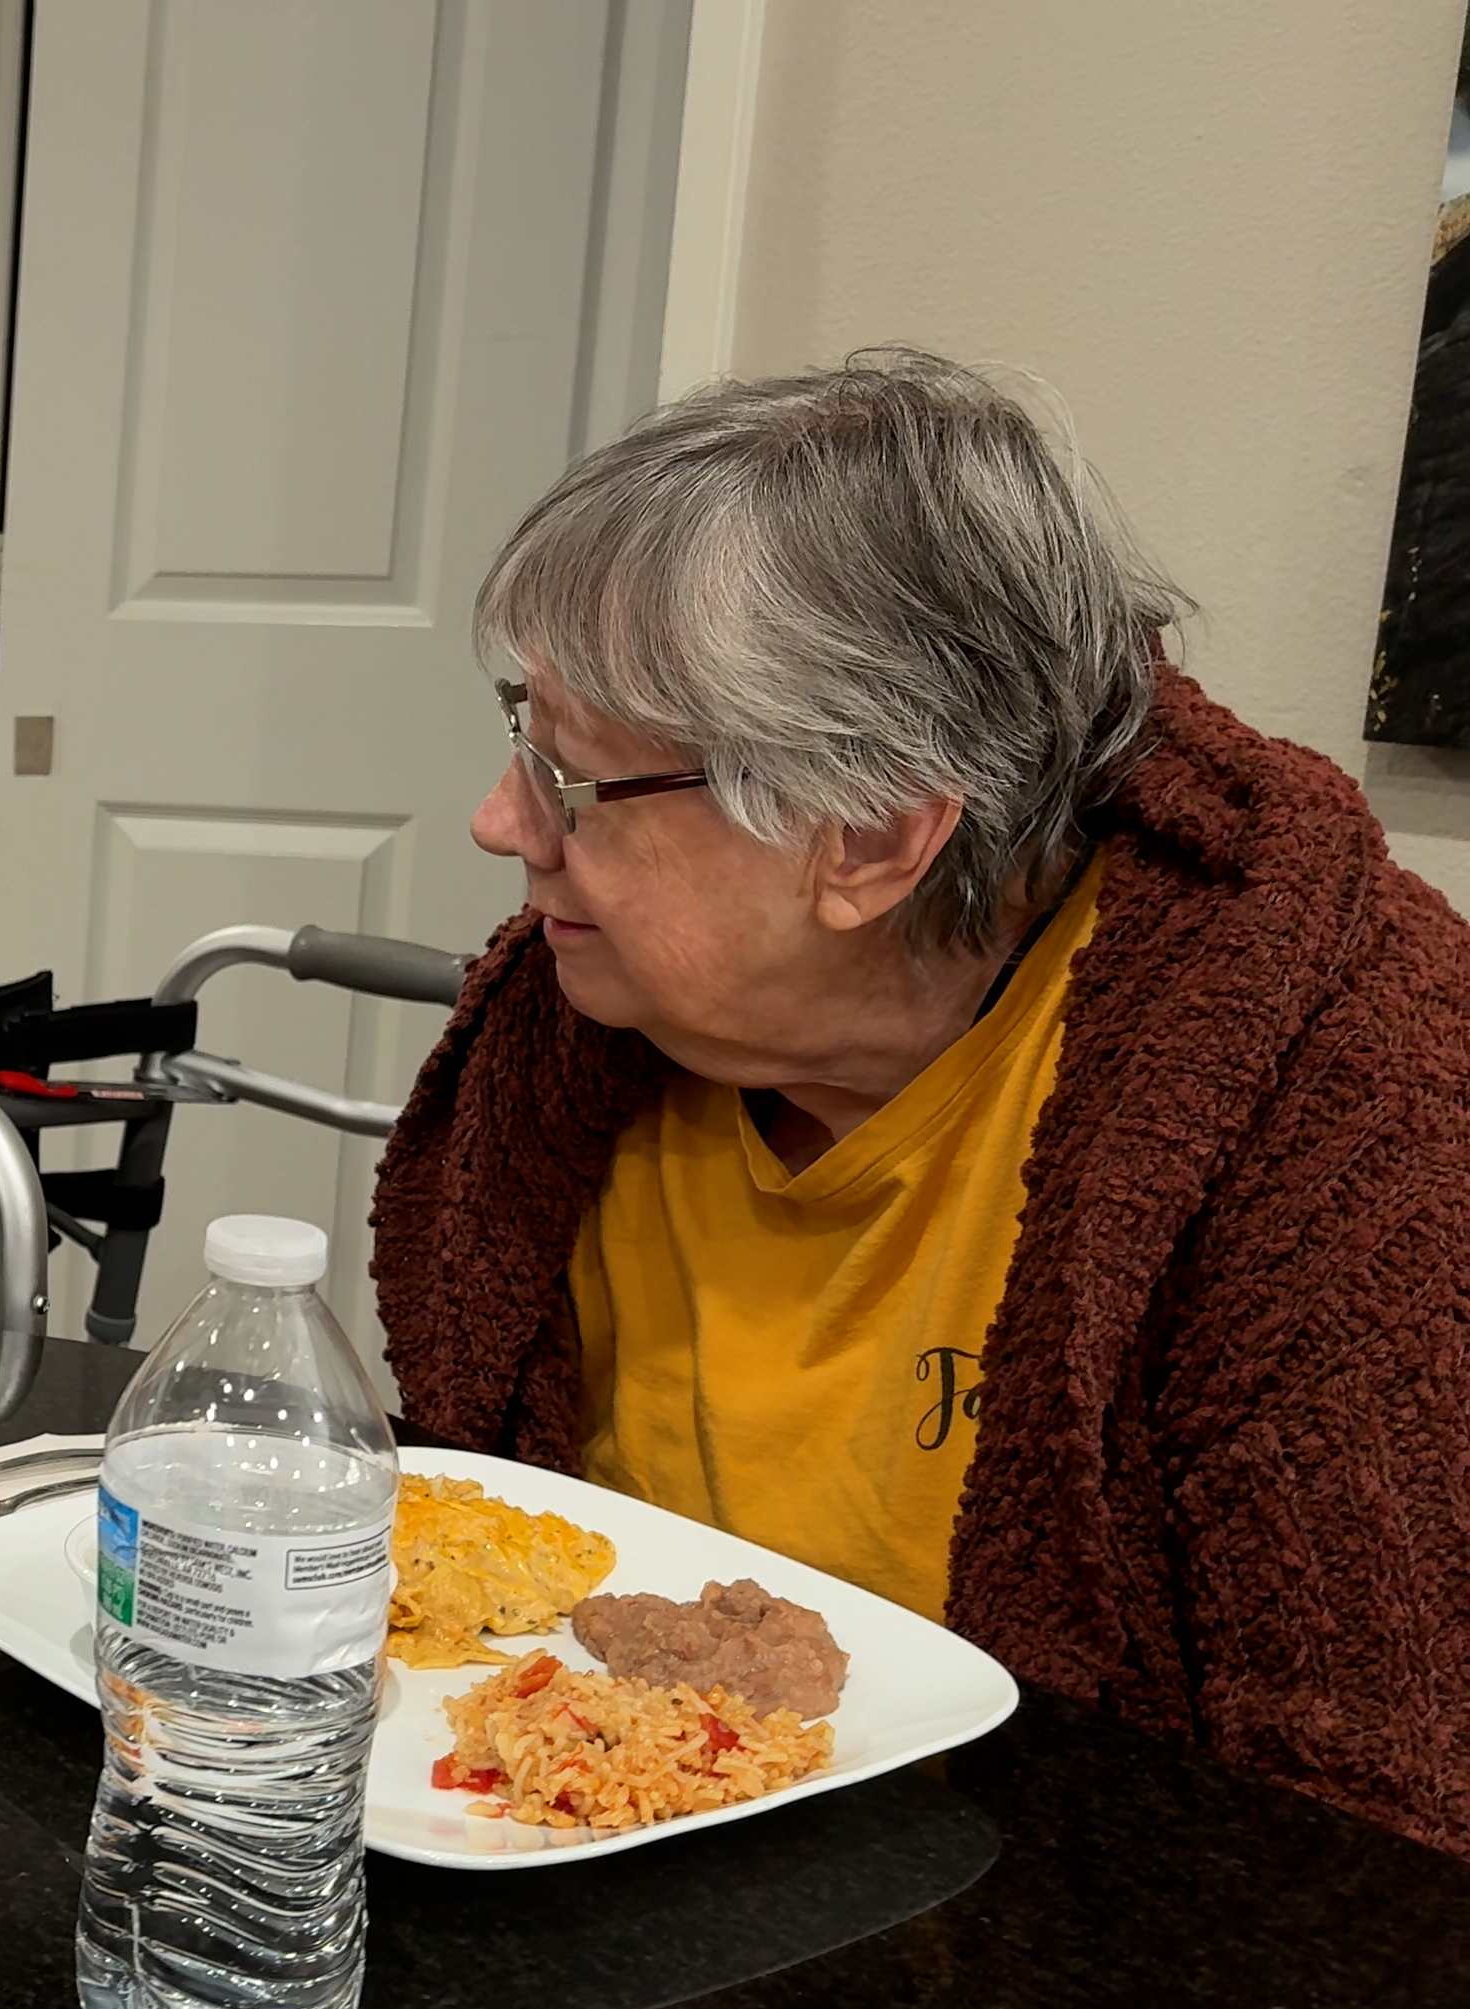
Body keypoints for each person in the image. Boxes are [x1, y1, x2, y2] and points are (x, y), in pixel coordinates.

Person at [371, 350, 1470, 1857]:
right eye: (522, 741)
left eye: (572, 777)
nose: (505, 824)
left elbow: (1360, 1857)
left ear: (876, 838)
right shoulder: (568, 1038)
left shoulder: (1348, 1123)